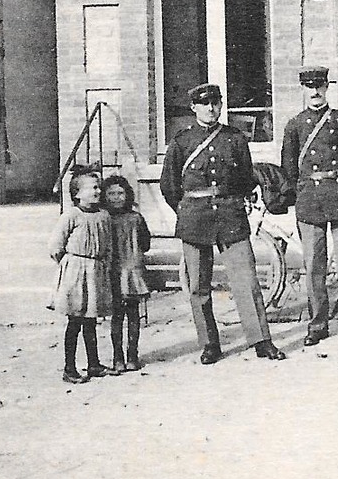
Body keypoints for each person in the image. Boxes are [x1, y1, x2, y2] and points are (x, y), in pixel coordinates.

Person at [159, 83, 286, 364]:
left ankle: (261, 340)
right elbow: (169, 186)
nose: (211, 108)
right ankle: (209, 344)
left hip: (230, 215)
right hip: (195, 217)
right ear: (194, 108)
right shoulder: (181, 142)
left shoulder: (235, 138)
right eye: (205, 104)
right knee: (199, 286)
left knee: (246, 280)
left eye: (216, 103)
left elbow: (243, 179)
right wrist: (186, 211)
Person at [280, 65, 338, 347]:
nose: (315, 91)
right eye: (310, 87)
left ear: (326, 87)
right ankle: (317, 324)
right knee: (314, 267)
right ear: (303, 90)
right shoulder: (295, 125)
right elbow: (288, 167)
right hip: (311, 199)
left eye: (319, 85)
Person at [48, 170, 117, 383]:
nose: (98, 191)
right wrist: (71, 265)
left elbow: (109, 245)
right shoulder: (71, 215)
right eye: (93, 188)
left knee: (91, 321)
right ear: (77, 194)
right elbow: (55, 247)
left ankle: (93, 364)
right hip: (76, 273)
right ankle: (69, 368)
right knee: (75, 321)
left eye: (99, 187)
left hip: (96, 272)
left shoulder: (104, 215)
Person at [102, 174, 152, 373]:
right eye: (111, 194)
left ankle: (132, 355)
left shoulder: (136, 218)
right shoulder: (103, 218)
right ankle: (118, 358)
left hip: (131, 272)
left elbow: (145, 244)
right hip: (112, 273)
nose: (116, 198)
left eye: (120, 193)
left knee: (132, 315)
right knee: (116, 317)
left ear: (127, 195)